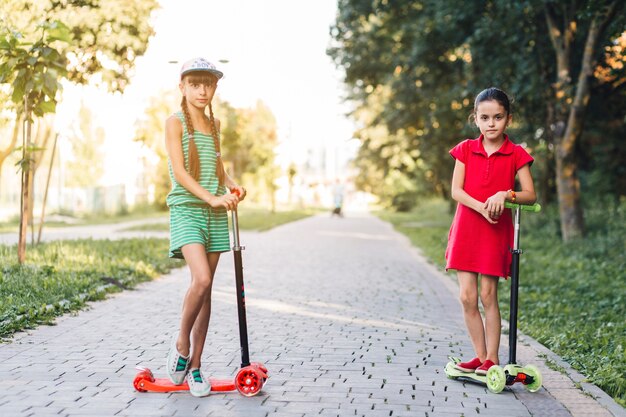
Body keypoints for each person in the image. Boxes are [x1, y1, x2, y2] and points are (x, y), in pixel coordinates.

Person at [164, 57, 246, 397]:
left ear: (215, 88)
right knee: (202, 279)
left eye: (208, 84)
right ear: (182, 86)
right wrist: (210, 199)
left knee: (207, 292)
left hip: (213, 214)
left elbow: (216, 164)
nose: (202, 90)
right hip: (187, 210)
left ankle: (196, 367)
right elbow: (180, 171)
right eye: (195, 83)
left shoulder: (214, 125)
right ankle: (181, 343)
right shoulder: (174, 122)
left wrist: (229, 185)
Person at [445, 87, 536, 376]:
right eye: (485, 118)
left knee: (487, 295)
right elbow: (456, 191)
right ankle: (480, 356)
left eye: (498, 117)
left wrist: (504, 194)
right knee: (467, 297)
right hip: (466, 228)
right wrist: (481, 207)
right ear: (476, 119)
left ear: (508, 119)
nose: (491, 123)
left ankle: (493, 358)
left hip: (495, 231)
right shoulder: (465, 149)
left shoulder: (516, 153)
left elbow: (530, 195)